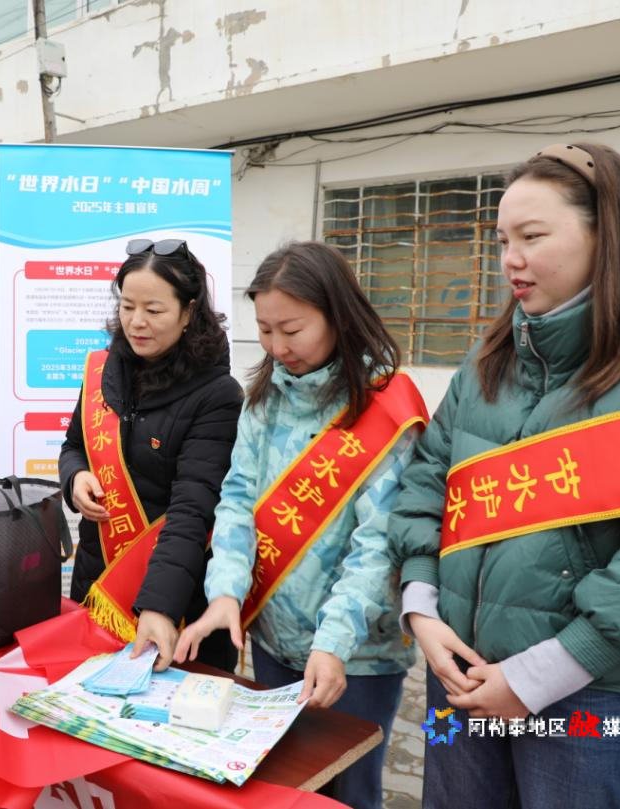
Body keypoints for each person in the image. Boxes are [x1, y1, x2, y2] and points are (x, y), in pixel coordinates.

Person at [390, 143, 620, 809]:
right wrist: (421, 606)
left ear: (606, 235)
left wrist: (543, 673)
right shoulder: (486, 358)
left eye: (531, 237)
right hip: (458, 675)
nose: (510, 259)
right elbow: (428, 480)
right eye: (502, 240)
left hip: (594, 696)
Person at [175, 241, 428, 809]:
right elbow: (237, 499)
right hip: (273, 639)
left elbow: (379, 546)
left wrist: (334, 644)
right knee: (280, 788)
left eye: (291, 329)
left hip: (356, 657)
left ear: (338, 316)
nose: (277, 347)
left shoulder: (386, 409)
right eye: (265, 330)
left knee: (347, 790)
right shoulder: (264, 399)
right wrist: (225, 593)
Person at [59, 238, 243, 672]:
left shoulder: (217, 395)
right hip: (98, 581)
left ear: (189, 312)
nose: (136, 322)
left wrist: (158, 607)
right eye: (127, 307)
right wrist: (75, 477)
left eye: (154, 310)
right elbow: (73, 446)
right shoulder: (104, 371)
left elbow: (193, 509)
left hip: (177, 599)